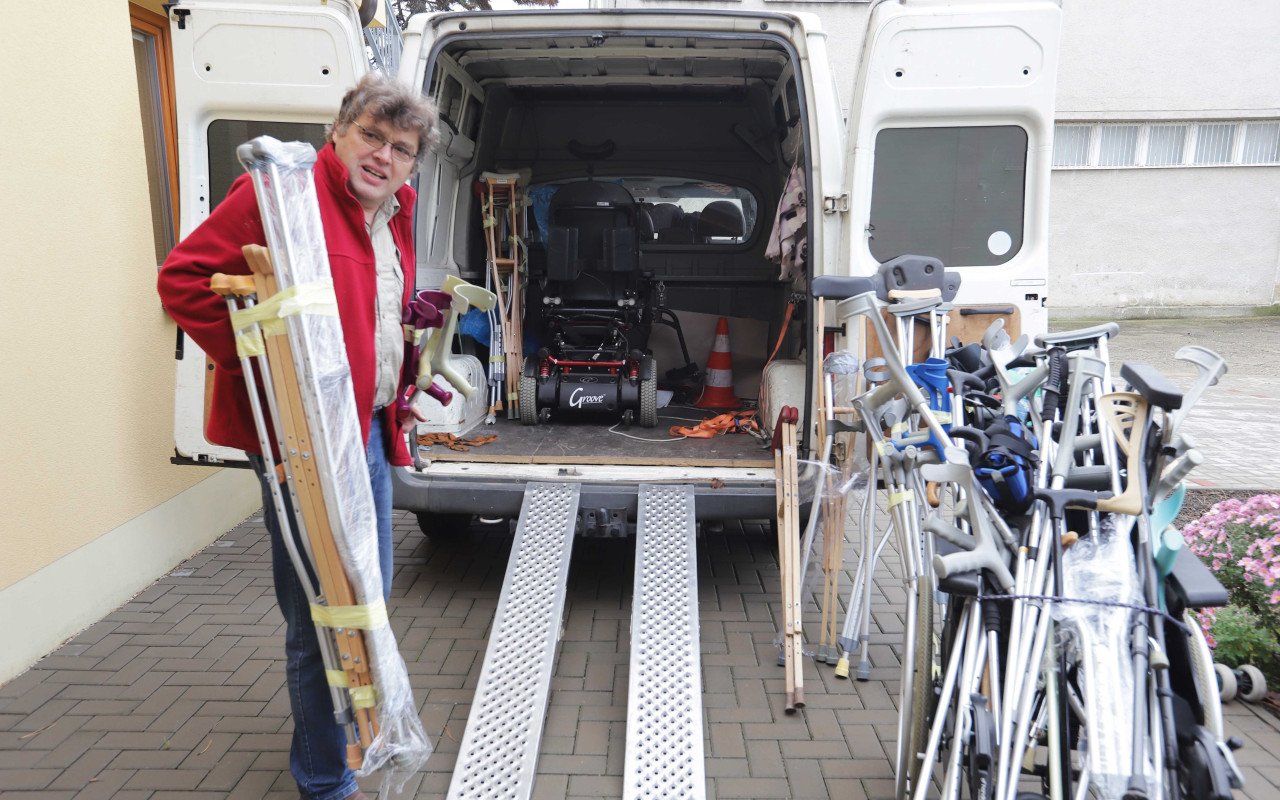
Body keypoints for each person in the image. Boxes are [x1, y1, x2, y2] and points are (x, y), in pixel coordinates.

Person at [158, 73, 438, 800]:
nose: (383, 156)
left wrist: (397, 387)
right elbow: (184, 281)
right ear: (338, 134)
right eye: (371, 136)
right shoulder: (281, 196)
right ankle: (323, 779)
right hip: (299, 441)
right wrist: (271, 373)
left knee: (365, 595)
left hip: (366, 432)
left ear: (413, 164)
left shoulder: (394, 214)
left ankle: (356, 742)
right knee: (322, 608)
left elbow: (376, 314)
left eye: (401, 148)